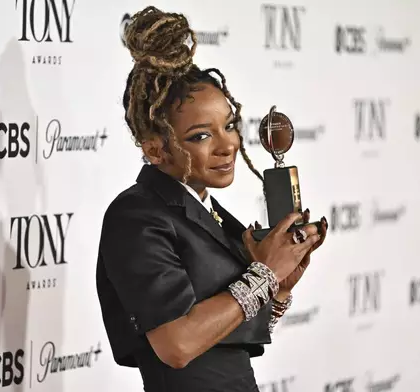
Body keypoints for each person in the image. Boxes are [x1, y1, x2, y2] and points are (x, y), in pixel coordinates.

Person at [96, 6, 328, 392]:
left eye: (230, 125)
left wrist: (279, 287)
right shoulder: (135, 216)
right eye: (202, 136)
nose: (229, 145)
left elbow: (228, 336)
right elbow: (178, 345)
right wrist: (263, 274)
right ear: (155, 149)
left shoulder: (209, 212)